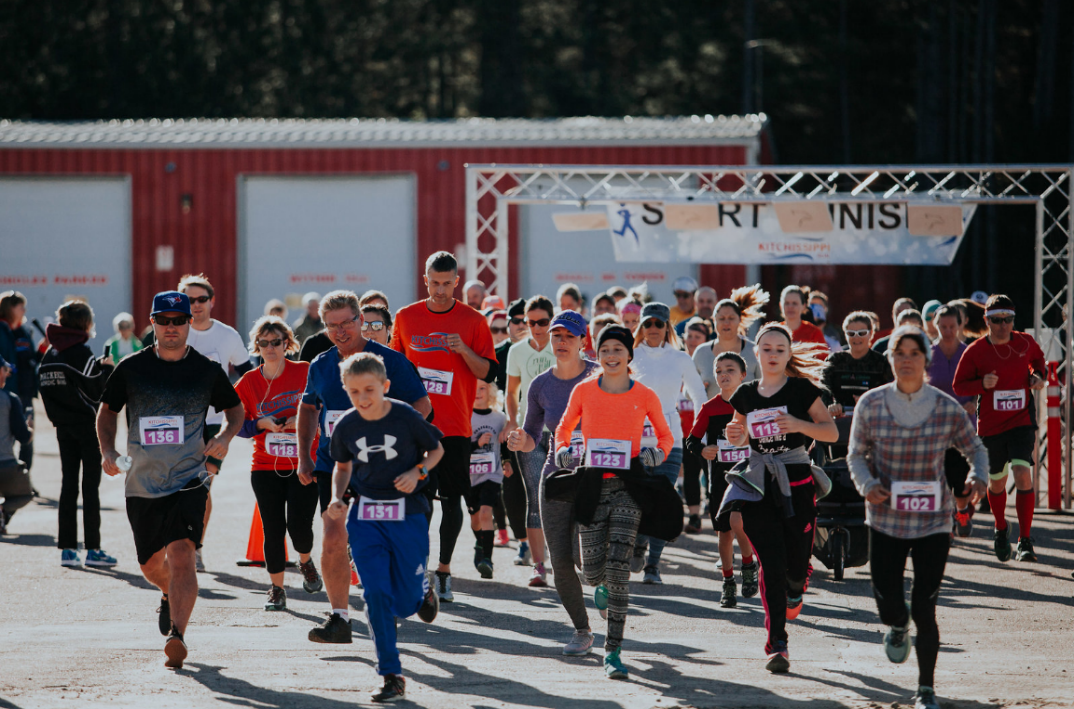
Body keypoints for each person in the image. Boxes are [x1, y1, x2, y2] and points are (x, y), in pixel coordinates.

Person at [97, 290, 244, 669]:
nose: (172, 327)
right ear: (153, 323)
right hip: (142, 483)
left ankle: (178, 635)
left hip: (188, 477)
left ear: (188, 324)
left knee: (182, 554)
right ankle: (167, 592)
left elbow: (235, 409)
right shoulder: (131, 367)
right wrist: (108, 451)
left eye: (179, 321)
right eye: (164, 321)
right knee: (150, 565)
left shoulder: (206, 370)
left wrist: (225, 438)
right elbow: (107, 411)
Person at [848, 326, 987, 709]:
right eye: (899, 352)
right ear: (890, 358)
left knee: (926, 604)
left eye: (914, 352)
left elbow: (975, 447)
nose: (907, 358)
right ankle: (896, 624)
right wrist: (866, 483)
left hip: (933, 519)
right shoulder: (871, 404)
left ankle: (925, 689)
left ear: (925, 359)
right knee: (887, 600)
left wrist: (979, 474)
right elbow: (856, 454)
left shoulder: (945, 407)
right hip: (885, 516)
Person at [298, 290, 431, 642]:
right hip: (334, 463)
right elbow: (309, 408)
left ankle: (417, 582)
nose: (341, 331)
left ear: (360, 320)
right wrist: (304, 456)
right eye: (332, 326)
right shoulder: (321, 364)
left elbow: (422, 403)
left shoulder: (390, 361)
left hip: (382, 465)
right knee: (333, 536)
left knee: (391, 541)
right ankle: (340, 618)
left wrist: (396, 435)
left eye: (347, 323)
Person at [554, 324, 675, 679]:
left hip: (630, 485)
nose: (611, 355)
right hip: (592, 483)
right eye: (605, 349)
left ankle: (614, 650)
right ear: (598, 353)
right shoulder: (584, 391)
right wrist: (563, 451)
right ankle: (602, 583)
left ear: (628, 355)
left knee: (619, 568)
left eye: (617, 349)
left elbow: (666, 437)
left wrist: (656, 454)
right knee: (592, 571)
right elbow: (563, 430)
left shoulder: (646, 394)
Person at [718, 322, 838, 673]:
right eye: (766, 349)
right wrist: (734, 433)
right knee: (770, 563)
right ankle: (777, 645)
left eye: (779, 349)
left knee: (794, 567)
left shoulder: (802, 391)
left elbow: (829, 432)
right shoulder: (745, 394)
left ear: (788, 354)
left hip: (797, 480)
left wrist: (798, 425)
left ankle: (798, 582)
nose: (772, 355)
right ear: (756, 353)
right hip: (758, 485)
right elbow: (740, 437)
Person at [327, 352, 442, 703]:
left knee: (405, 602)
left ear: (385, 386)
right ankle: (391, 674)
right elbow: (343, 467)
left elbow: (436, 450)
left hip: (407, 513)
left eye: (369, 390)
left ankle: (422, 587)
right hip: (366, 516)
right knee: (375, 594)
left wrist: (417, 473)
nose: (362, 398)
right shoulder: (347, 425)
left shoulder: (406, 417)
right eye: (354, 391)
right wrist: (338, 497)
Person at [390, 251, 497, 603]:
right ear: (425, 280)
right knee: (419, 501)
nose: (440, 290)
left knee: (451, 501)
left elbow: (488, 373)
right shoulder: (406, 317)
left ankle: (446, 570)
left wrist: (464, 350)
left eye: (447, 284)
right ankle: (419, 571)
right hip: (414, 427)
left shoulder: (474, 320)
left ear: (456, 282)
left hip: (454, 427)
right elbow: (392, 369)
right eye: (434, 283)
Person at [507, 310, 599, 655]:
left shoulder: (600, 376)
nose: (561, 342)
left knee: (588, 563)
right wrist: (521, 441)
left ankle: (604, 585)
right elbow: (533, 434)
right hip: (556, 476)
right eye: (556, 335)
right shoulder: (540, 385)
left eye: (569, 337)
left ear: (582, 342)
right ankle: (581, 630)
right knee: (560, 559)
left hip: (596, 477)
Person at [235, 316, 323, 611]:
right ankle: (276, 588)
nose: (270, 348)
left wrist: (304, 420)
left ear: (288, 343)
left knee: (299, 526)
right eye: (264, 343)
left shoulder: (306, 372)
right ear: (256, 346)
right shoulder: (248, 382)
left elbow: (327, 407)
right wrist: (259, 422)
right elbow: (236, 423)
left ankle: (306, 561)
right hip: (264, 466)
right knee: (273, 529)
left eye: (276, 342)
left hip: (305, 462)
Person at [953, 294, 1046, 562]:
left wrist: (1038, 376)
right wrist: (982, 384)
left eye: (1008, 319)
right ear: (987, 321)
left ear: (1013, 319)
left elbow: (1038, 362)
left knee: (1022, 472)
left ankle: (1025, 540)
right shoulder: (976, 350)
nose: (1003, 325)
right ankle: (1000, 527)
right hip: (991, 425)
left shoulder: (1025, 343)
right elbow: (960, 386)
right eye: (996, 320)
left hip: (1021, 420)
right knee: (997, 482)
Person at [178, 273, 253, 572]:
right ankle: (176, 543)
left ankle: (195, 547)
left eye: (200, 300)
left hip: (214, 422)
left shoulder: (226, 335)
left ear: (211, 302)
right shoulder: (171, 331)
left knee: (201, 486)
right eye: (188, 300)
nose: (195, 306)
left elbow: (249, 375)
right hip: (176, 423)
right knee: (176, 487)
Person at [629, 302, 706, 583]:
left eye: (658, 324)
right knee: (638, 501)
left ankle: (653, 566)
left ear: (667, 327)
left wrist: (700, 433)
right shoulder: (630, 356)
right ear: (640, 326)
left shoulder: (680, 358)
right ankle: (638, 543)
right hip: (635, 440)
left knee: (662, 501)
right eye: (647, 323)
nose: (652, 329)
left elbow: (699, 397)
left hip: (669, 440)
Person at [38, 300, 117, 567]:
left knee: (68, 486)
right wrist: (106, 367)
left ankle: (67, 550)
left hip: (62, 427)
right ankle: (93, 550)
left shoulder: (50, 354)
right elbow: (97, 390)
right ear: (85, 323)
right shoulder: (80, 352)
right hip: (87, 427)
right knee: (90, 488)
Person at [684, 351, 758, 608]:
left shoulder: (753, 404)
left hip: (748, 476)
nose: (724, 375)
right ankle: (728, 583)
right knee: (724, 532)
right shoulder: (710, 407)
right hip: (720, 478)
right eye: (719, 371)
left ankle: (748, 564)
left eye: (730, 370)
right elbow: (691, 441)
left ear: (743, 375)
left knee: (739, 521)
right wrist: (703, 450)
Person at [506, 295, 557, 585]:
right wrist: (513, 421)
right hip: (530, 432)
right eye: (531, 322)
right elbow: (511, 392)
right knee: (535, 497)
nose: (537, 327)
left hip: (562, 431)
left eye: (543, 322)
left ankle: (567, 557)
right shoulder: (516, 351)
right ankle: (539, 566)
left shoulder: (562, 346)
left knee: (564, 494)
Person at [928, 304, 979, 537]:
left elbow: (984, 383)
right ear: (935, 326)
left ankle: (961, 510)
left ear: (960, 326)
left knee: (960, 481)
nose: (947, 331)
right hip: (935, 428)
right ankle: (944, 525)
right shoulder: (927, 354)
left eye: (952, 326)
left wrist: (975, 400)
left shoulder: (970, 353)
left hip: (963, 426)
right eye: (943, 326)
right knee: (939, 477)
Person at [493, 298, 529, 550]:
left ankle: (540, 539)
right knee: (512, 484)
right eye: (516, 320)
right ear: (508, 324)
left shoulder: (547, 350)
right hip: (505, 427)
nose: (522, 325)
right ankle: (523, 541)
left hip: (538, 428)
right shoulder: (498, 354)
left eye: (526, 320)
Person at [694, 285, 767, 396]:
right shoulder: (701, 352)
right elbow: (687, 391)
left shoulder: (755, 351)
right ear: (714, 321)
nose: (726, 323)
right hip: (712, 412)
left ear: (739, 320)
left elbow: (766, 388)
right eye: (721, 319)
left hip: (747, 413)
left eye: (731, 318)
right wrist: (699, 389)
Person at [822, 311, 893, 423]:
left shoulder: (882, 363)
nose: (856, 337)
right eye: (851, 333)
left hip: (873, 421)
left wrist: (868, 401)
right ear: (845, 335)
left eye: (861, 333)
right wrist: (831, 406)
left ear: (871, 333)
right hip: (840, 423)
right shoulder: (834, 361)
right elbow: (822, 390)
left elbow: (890, 394)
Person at [468, 380, 507, 578]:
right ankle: (480, 544)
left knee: (486, 512)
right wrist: (476, 443)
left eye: (482, 388)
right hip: (470, 476)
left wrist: (507, 462)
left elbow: (506, 443)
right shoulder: (465, 416)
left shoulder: (499, 418)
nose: (478, 392)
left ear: (490, 391)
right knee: (475, 519)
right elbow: (458, 448)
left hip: (492, 473)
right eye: (473, 388)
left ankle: (487, 559)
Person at [0, 291, 41, 473]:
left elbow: (30, 361)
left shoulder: (22, 331)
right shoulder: (3, 331)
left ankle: (23, 478)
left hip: (24, 391)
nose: (24, 310)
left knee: (26, 436)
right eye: (20, 306)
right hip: (7, 391)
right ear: (10, 308)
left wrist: (43, 347)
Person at [0, 355, 33, 535]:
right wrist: (30, 429)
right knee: (25, 494)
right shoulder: (9, 399)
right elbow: (24, 437)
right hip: (5, 466)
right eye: (5, 371)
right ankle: (3, 512)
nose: (7, 375)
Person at [779, 285, 828, 354]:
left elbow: (823, 361)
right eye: (787, 303)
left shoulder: (814, 333)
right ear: (780, 306)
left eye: (794, 303)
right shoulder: (775, 332)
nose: (790, 307)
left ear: (804, 306)